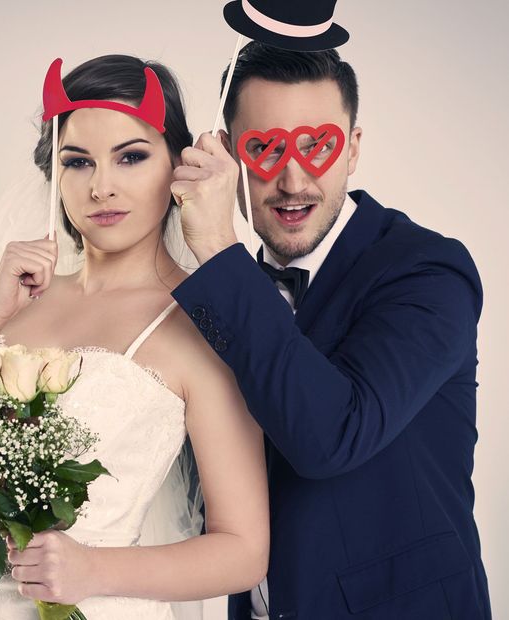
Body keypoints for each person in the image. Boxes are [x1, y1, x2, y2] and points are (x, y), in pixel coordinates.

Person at [0, 54, 269, 620]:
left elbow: (244, 553)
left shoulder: (200, 325)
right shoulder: (12, 304)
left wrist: (93, 570)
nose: (102, 187)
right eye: (78, 162)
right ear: (55, 175)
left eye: (130, 157)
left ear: (176, 166)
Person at [170, 42, 491, 619]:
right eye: (265, 149)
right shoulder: (222, 294)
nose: (294, 180)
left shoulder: (428, 272)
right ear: (226, 154)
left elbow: (330, 438)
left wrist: (220, 248)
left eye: (318, 147)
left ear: (354, 148)